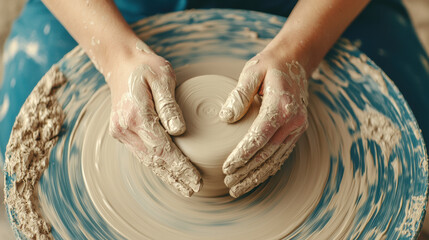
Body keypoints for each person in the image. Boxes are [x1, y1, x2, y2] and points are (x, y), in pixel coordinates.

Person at [1, 0, 428, 198]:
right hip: (116, 9)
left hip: (303, 9)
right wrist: (115, 55)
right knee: (21, 156)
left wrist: (299, 51)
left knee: (409, 155)